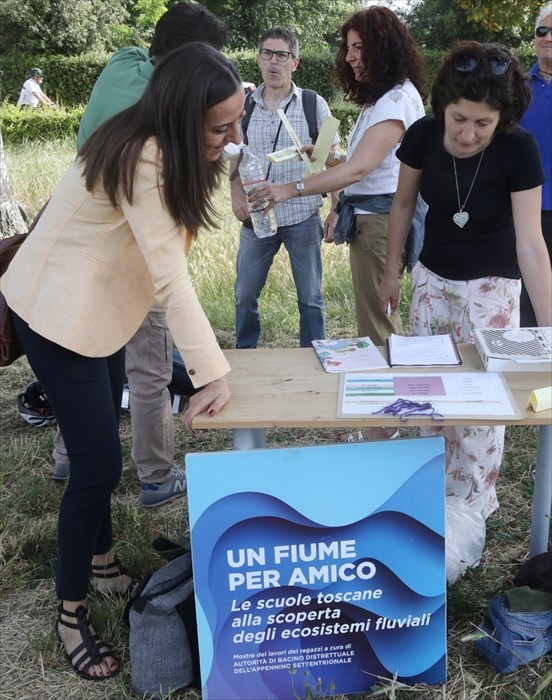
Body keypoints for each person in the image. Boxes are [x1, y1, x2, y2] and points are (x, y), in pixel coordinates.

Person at [1, 43, 242, 680]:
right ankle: (70, 609)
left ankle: (102, 561)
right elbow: (170, 276)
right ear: (185, 117)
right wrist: (212, 373)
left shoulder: (158, 140)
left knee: (99, 443)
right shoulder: (146, 158)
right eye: (221, 126)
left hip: (94, 310)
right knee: (98, 464)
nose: (233, 136)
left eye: (236, 122)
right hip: (55, 315)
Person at [51, 2, 228, 510]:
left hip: (79, 251)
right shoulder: (163, 114)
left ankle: (67, 453)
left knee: (84, 359)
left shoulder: (121, 64)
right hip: (128, 250)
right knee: (148, 366)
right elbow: (170, 269)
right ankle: (156, 475)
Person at [379, 41, 552, 521]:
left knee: (480, 407)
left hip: (493, 290)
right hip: (433, 282)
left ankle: (472, 506)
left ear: (503, 120)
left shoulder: (520, 150)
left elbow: (532, 245)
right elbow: (402, 205)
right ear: (443, 107)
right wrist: (392, 272)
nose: (469, 134)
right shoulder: (421, 135)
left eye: (484, 123)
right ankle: (429, 501)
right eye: (460, 119)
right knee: (428, 395)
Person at [250, 7, 426, 347]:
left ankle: (391, 395)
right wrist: (331, 158)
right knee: (376, 323)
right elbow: (366, 162)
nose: (350, 57)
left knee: (379, 330)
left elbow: (359, 170)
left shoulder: (396, 100)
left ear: (383, 46)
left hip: (379, 223)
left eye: (359, 48)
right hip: (372, 221)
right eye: (348, 48)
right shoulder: (384, 98)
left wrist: (290, 189)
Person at [230, 26, 336, 349]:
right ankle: (246, 354)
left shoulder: (312, 104)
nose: (273, 62)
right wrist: (236, 193)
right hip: (257, 217)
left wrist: (336, 206)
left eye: (282, 55)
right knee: (244, 295)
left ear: (295, 62)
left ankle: (313, 356)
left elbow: (331, 161)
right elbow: (234, 153)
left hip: (302, 216)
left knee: (311, 298)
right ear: (258, 59)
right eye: (267, 54)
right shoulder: (243, 105)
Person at [519, 2, 552, 326]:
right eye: (542, 30)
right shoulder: (515, 88)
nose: (548, 36)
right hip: (520, 210)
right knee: (524, 304)